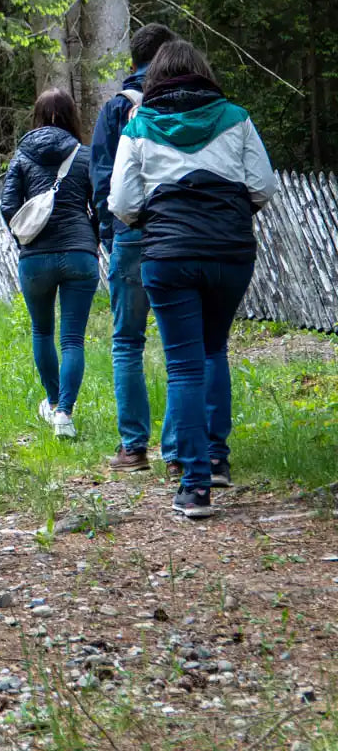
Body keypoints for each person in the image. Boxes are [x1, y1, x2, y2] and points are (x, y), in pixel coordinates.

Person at [109, 40, 276, 518]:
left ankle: (195, 487)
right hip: (229, 253)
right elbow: (263, 186)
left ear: (155, 78)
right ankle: (217, 460)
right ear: (203, 72)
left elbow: (122, 202)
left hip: (168, 255)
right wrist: (228, 214)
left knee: (183, 366)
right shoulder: (236, 118)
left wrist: (155, 219)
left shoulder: (139, 124)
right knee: (214, 349)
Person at [89, 22, 179, 475]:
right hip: (178, 232)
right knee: (182, 343)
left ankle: (133, 447)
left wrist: (111, 236)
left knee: (127, 341)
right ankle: (180, 451)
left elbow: (102, 178)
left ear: (133, 61)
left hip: (130, 230)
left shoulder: (116, 109)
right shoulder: (188, 103)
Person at [0, 88, 99, 439]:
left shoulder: (22, 156)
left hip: (36, 258)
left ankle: (54, 401)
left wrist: (24, 239)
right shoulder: (85, 155)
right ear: (72, 115)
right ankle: (64, 415)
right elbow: (101, 204)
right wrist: (92, 239)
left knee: (42, 331)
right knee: (72, 339)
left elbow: (7, 205)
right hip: (79, 254)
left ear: (37, 115)